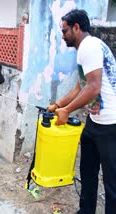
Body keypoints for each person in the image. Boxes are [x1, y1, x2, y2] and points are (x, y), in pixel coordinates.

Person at [47, 9, 116, 214]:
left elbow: (93, 87)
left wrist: (67, 111)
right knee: (87, 172)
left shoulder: (90, 47)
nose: (62, 35)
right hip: (95, 122)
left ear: (76, 27)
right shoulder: (85, 49)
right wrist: (59, 105)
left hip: (111, 123)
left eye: (65, 30)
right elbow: (81, 85)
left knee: (112, 181)